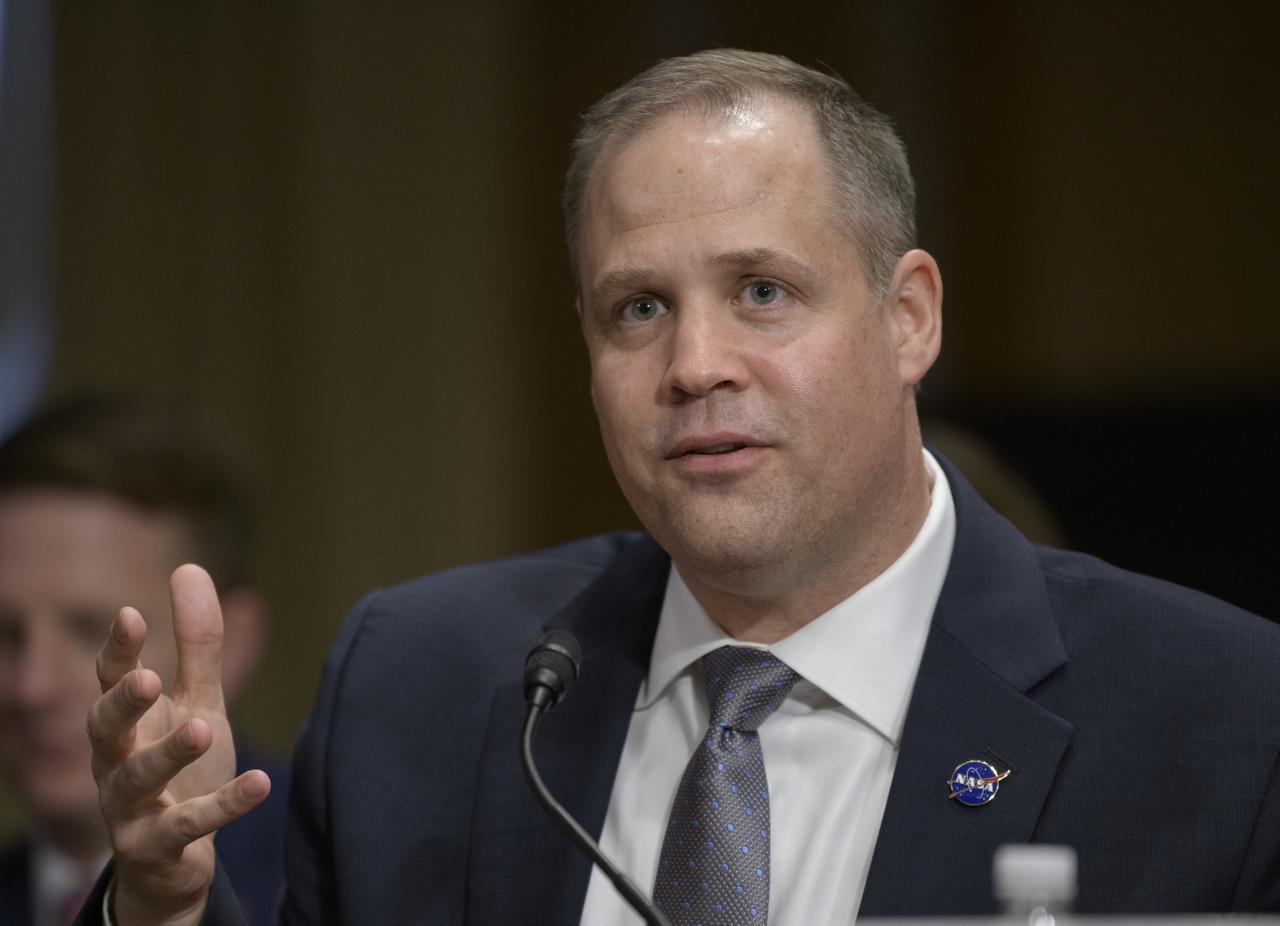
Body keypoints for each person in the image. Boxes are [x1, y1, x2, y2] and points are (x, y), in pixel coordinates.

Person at [81, 50, 1280, 925]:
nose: (693, 364)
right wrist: (163, 910)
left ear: (907, 316)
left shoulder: (1217, 720)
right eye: (637, 309)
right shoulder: (424, 683)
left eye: (761, 290)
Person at [0, 394, 288, 924]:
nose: (30, 687)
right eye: (5, 634)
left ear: (231, 644)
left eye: (97, 632)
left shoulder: (334, 876)